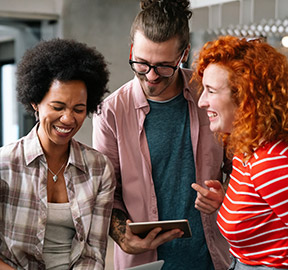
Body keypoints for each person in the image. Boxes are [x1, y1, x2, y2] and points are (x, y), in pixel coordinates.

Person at [92, 0, 230, 269]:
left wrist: (224, 194)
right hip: (144, 263)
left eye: (164, 66)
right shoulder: (110, 113)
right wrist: (122, 236)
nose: (151, 76)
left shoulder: (209, 96)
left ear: (184, 54)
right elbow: (106, 193)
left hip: (212, 259)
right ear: (132, 49)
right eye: (141, 63)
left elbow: (241, 168)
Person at [0, 38, 115, 270]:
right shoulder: (1, 165)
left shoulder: (99, 168)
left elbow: (93, 253)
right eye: (57, 107)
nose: (68, 119)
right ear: (35, 102)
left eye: (79, 109)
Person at [195, 35, 288, 270]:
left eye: (211, 91)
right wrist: (227, 203)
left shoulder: (274, 164)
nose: (201, 101)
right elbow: (271, 221)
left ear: (245, 99)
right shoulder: (247, 151)